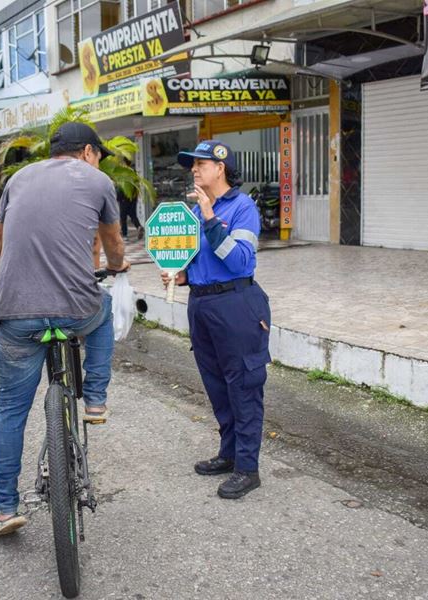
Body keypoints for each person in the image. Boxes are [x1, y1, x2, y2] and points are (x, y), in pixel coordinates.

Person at [0, 122, 130, 537]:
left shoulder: (17, 179)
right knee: (105, 307)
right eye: (98, 153)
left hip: (16, 315)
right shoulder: (98, 182)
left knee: (9, 410)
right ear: (86, 152)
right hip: (75, 310)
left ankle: (6, 508)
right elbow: (113, 242)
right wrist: (117, 266)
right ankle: (95, 399)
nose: (98, 161)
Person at [161, 140, 271, 500]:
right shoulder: (194, 212)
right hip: (202, 306)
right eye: (191, 164)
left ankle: (247, 468)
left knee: (243, 385)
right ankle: (228, 454)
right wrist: (181, 276)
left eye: (201, 164)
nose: (194, 169)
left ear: (220, 167)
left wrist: (210, 219)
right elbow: (200, 263)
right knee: (218, 387)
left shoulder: (242, 208)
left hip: (237, 305)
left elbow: (240, 261)